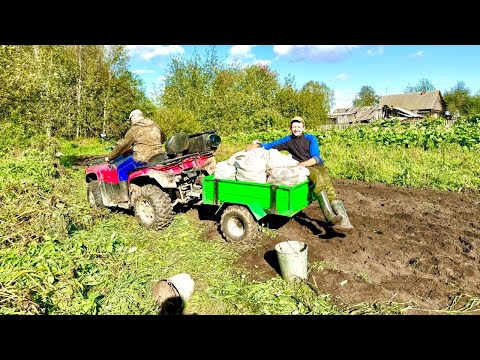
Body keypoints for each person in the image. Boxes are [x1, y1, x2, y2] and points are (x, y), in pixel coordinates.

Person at [245, 116, 354, 234]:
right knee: (318, 181)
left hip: (316, 165)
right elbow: (272, 145)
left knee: (331, 191)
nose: (296, 129)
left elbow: (316, 158)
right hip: (306, 169)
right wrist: (258, 145)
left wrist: (300, 164)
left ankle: (345, 223)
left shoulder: (310, 139)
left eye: (298, 127)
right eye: (294, 127)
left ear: (303, 127)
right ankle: (330, 216)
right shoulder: (288, 140)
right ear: (290, 128)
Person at [106, 109, 163, 182]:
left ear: (134, 118)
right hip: (158, 156)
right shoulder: (156, 125)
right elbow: (163, 139)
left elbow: (123, 146)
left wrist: (110, 157)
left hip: (143, 158)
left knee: (121, 170)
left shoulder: (135, 129)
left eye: (131, 120)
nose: (132, 123)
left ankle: (125, 193)